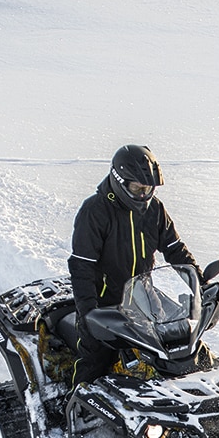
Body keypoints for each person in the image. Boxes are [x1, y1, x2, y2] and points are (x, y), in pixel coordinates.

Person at [60, 144, 198, 384]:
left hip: (143, 298)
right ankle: (74, 411)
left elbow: (174, 248)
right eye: (138, 188)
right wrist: (89, 312)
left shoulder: (154, 209)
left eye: (149, 188)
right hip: (104, 305)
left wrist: (198, 281)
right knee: (95, 364)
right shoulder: (95, 211)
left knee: (181, 353)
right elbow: (82, 265)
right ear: (119, 180)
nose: (144, 195)